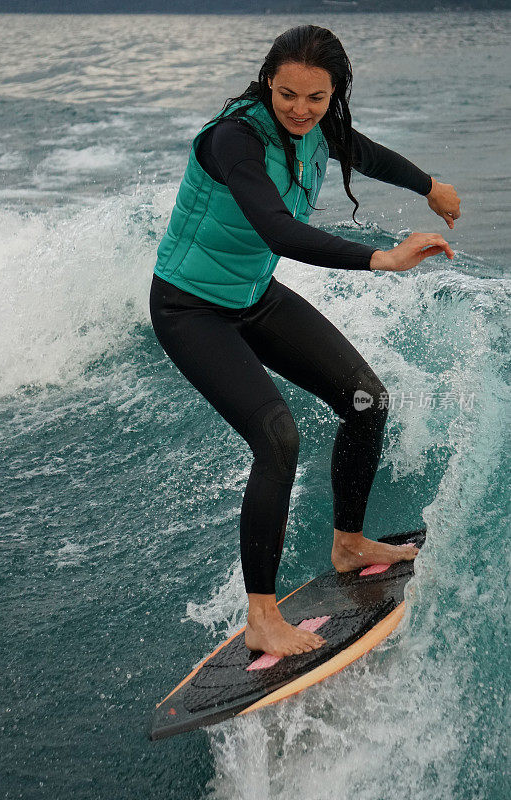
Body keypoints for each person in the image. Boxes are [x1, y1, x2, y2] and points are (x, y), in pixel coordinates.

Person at [149, 25, 460, 659]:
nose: (299, 109)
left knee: (366, 400)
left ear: (333, 94)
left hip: (251, 295)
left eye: (315, 98)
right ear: (268, 81)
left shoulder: (320, 127)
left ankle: (349, 544)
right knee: (276, 436)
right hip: (190, 308)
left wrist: (430, 186)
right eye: (287, 93)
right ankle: (262, 615)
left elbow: (366, 154)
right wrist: (383, 259)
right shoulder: (234, 139)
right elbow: (278, 230)